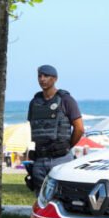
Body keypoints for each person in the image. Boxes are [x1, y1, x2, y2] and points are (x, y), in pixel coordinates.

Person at [26, 64, 84, 193]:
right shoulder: (34, 102)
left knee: (63, 196)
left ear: (55, 79)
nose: (42, 79)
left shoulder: (66, 100)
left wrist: (68, 146)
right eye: (39, 76)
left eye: (46, 76)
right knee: (41, 198)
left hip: (61, 158)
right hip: (40, 159)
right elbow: (32, 127)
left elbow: (79, 128)